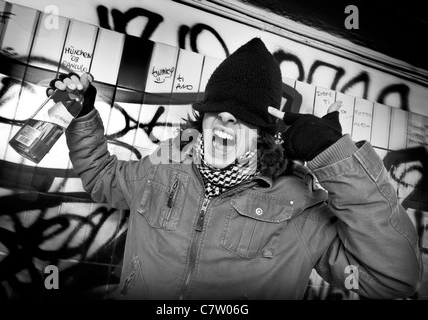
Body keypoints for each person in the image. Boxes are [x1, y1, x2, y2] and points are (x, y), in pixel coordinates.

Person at [48, 38, 422, 299]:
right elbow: (101, 178)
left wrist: (335, 158)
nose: (225, 126)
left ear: (261, 133)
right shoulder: (163, 169)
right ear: (204, 118)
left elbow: (391, 280)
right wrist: (83, 116)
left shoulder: (300, 208)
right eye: (218, 114)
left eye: (240, 119)